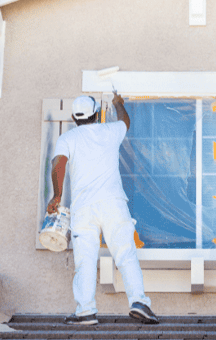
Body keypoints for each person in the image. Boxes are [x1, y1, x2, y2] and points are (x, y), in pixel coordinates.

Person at [46, 92, 159, 325]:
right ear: (97, 114)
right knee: (126, 254)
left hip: (83, 209)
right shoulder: (109, 131)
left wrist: (56, 196)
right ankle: (139, 303)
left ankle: (85, 312)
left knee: (84, 261)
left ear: (73, 118)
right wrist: (118, 104)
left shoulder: (68, 138)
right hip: (113, 204)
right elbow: (125, 122)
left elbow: (58, 164)